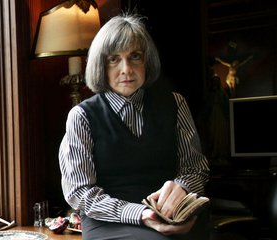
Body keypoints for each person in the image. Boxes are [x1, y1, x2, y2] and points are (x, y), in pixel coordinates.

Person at [59, 14, 210, 240]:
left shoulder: (175, 104)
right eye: (113, 59)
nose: (126, 69)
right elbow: (80, 193)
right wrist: (140, 213)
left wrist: (182, 187)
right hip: (108, 221)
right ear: (101, 65)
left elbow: (196, 168)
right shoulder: (81, 116)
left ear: (147, 61)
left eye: (135, 56)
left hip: (171, 214)